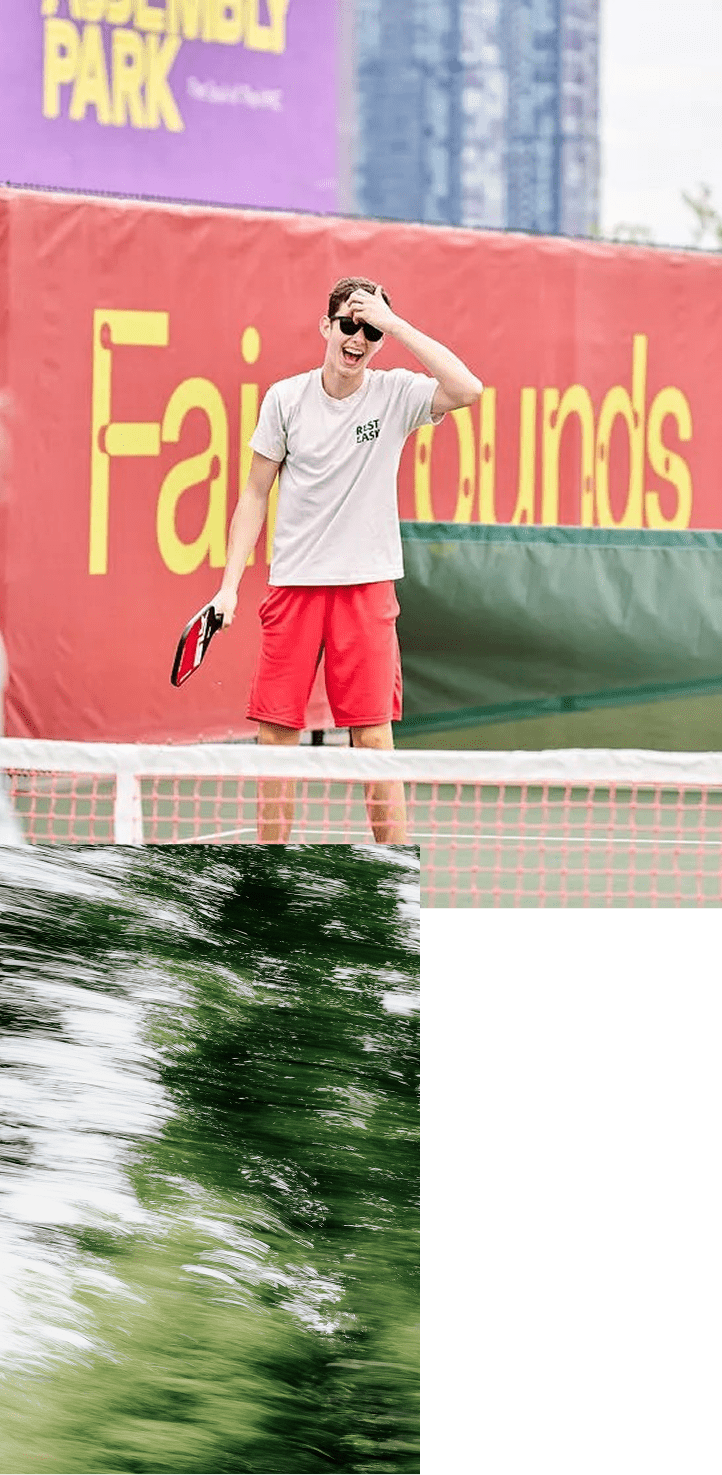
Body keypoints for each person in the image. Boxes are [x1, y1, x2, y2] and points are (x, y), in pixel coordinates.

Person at [213, 276, 482, 843]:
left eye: (369, 329)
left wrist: (395, 323)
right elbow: (255, 494)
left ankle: (391, 875)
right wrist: (228, 587)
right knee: (278, 735)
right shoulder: (285, 399)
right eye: (348, 324)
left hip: (366, 589)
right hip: (295, 586)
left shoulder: (396, 394)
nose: (357, 338)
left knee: (373, 738)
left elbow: (467, 388)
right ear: (326, 327)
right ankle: (271, 870)